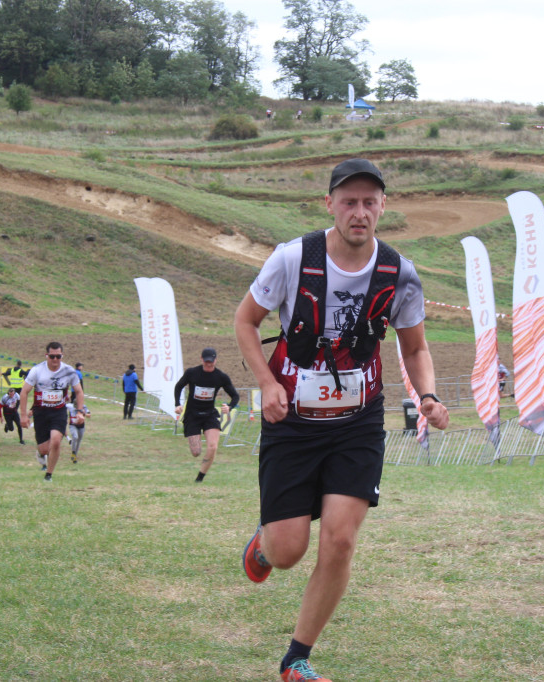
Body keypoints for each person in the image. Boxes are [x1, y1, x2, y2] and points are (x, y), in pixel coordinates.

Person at [233, 158, 450, 681]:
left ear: (382, 207)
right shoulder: (292, 259)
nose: (360, 212)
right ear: (329, 204)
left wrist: (427, 396)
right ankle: (264, 543)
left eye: (369, 202)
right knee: (287, 552)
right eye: (349, 201)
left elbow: (415, 347)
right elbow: (245, 322)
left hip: (357, 421)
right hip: (293, 419)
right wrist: (266, 384)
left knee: (341, 539)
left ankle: (296, 660)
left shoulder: (399, 272)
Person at [19, 342, 85, 482]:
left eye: (58, 356)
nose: (55, 360)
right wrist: (23, 415)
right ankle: (41, 453)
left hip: (59, 411)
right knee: (44, 450)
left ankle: (49, 474)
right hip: (41, 412)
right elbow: (24, 392)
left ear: (62, 356)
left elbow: (79, 392)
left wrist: (80, 411)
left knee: (55, 441)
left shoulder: (69, 371)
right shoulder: (37, 370)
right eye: (52, 356)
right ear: (46, 355)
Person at [173, 348, 240, 483]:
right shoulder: (192, 373)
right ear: (201, 359)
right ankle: (198, 467)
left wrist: (230, 406)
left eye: (211, 361)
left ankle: (199, 478)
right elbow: (178, 386)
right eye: (206, 361)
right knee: (196, 452)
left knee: (213, 447)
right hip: (192, 415)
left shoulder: (221, 377)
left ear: (216, 360)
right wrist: (177, 404)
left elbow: (235, 396)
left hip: (209, 414)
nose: (209, 364)